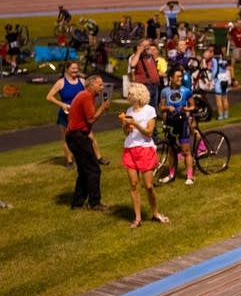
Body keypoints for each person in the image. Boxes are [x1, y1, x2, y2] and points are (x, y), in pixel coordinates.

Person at [119, 83, 169, 228]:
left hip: (145, 149)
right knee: (134, 184)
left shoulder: (150, 110)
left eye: (130, 94)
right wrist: (125, 126)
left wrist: (135, 123)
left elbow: (148, 132)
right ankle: (137, 218)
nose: (128, 96)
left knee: (148, 186)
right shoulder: (129, 110)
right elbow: (127, 132)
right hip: (130, 148)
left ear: (138, 95)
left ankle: (155, 213)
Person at [46, 61, 104, 168]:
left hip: (81, 114)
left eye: (77, 68)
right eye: (73, 68)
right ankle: (69, 161)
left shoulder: (82, 81)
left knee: (90, 136)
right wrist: (62, 104)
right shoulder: (61, 82)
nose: (75, 70)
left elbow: (90, 93)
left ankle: (99, 158)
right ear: (67, 69)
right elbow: (49, 97)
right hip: (66, 113)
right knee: (67, 138)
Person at [67, 74, 112, 210]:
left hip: (75, 136)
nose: (102, 87)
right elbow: (91, 119)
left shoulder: (85, 95)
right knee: (93, 170)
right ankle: (95, 202)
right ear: (91, 85)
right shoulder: (86, 96)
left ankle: (77, 202)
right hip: (78, 137)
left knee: (84, 171)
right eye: (100, 84)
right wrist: (103, 107)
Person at [159, 67, 196, 185]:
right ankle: (171, 174)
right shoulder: (165, 91)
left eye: (181, 76)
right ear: (171, 78)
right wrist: (167, 108)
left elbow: (193, 106)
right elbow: (161, 107)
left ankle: (190, 176)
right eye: (178, 77)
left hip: (182, 122)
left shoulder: (186, 90)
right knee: (171, 150)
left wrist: (186, 109)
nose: (180, 79)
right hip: (171, 123)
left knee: (186, 150)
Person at [128, 39, 161, 113]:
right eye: (145, 46)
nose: (148, 48)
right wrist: (139, 51)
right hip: (144, 87)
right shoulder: (137, 57)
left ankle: (151, 123)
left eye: (148, 45)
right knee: (144, 107)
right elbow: (132, 64)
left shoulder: (151, 56)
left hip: (154, 85)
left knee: (153, 108)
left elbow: (157, 50)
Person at [211, 49, 232, 120]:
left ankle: (220, 115)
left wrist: (211, 77)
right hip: (225, 79)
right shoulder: (224, 60)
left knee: (218, 99)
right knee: (225, 99)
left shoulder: (215, 60)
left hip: (218, 80)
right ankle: (226, 114)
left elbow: (215, 70)